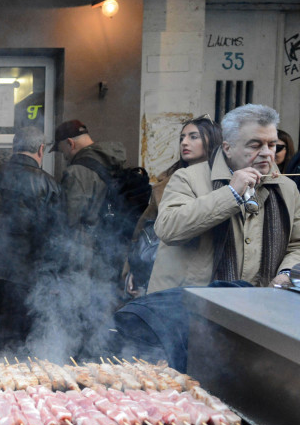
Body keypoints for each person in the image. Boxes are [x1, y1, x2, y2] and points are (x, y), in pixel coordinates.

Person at [148, 104, 300, 292]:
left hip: (261, 305)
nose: (267, 153)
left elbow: (297, 244)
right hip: (190, 306)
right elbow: (168, 229)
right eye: (255, 145)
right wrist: (231, 193)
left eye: (272, 145)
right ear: (228, 148)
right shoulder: (188, 178)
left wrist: (287, 272)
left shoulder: (287, 188)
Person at [0, 126, 62, 355]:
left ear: (13, 148)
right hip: (26, 280)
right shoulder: (50, 185)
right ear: (41, 149)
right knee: (19, 350)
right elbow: (56, 239)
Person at [123, 115, 222, 296]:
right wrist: (134, 268)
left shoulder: (223, 183)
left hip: (206, 277)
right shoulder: (167, 181)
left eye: (193, 137)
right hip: (164, 269)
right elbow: (145, 229)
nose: (185, 143)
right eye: (182, 138)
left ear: (212, 140)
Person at [50, 119, 127, 276]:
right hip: (110, 248)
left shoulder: (77, 172)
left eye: (62, 151)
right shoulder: (111, 161)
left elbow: (68, 219)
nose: (64, 157)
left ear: (70, 143)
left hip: (83, 255)